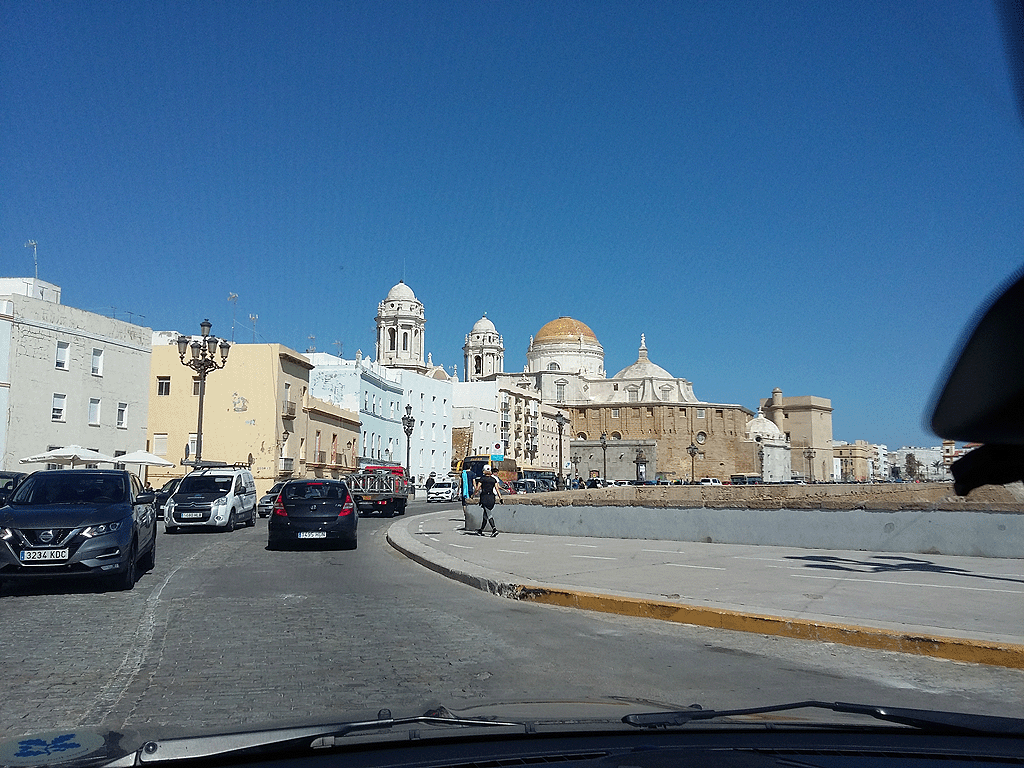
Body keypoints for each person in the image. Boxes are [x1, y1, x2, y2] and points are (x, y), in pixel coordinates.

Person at [473, 464, 501, 537]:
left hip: (485, 497)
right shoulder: (493, 479)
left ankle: (494, 529)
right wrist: (500, 498)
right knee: (485, 515)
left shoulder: (482, 479)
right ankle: (480, 530)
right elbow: (497, 489)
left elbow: (477, 488)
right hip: (492, 497)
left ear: (484, 471)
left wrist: (473, 495)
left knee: (488, 514)